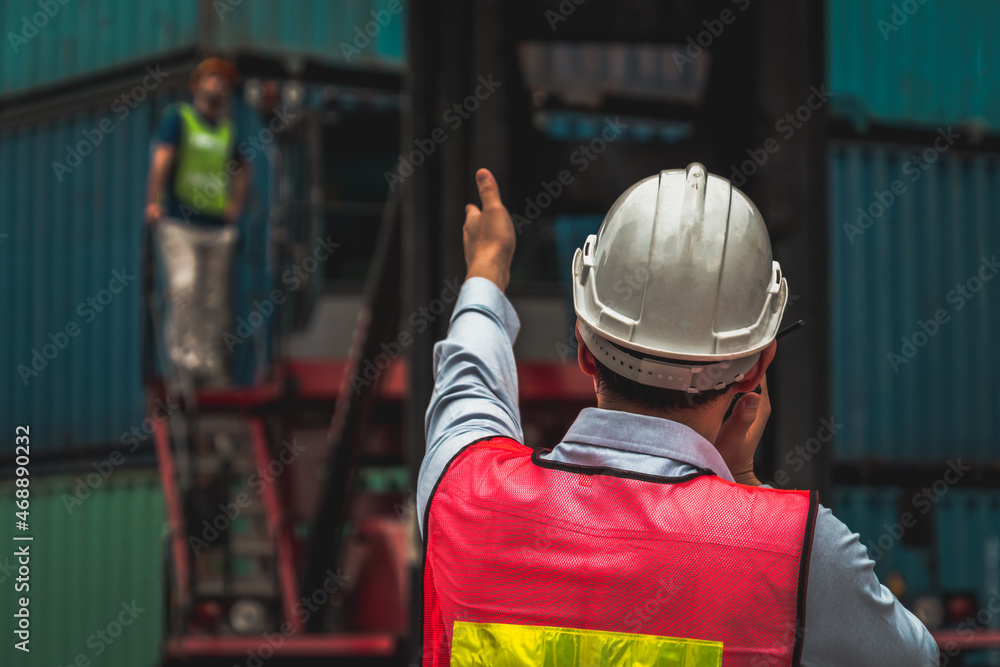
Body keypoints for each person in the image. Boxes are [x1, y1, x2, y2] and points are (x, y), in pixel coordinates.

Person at [418, 166, 938, 665]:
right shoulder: (798, 553)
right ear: (758, 367)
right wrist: (744, 488)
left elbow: (467, 385)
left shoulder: (460, 492)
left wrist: (487, 267)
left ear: (582, 346)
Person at [144, 57, 249, 388]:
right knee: (186, 286)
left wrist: (235, 206)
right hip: (180, 222)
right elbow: (162, 157)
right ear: (197, 85)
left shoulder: (228, 130)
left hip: (216, 227)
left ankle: (209, 361)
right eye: (212, 77)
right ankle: (184, 359)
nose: (219, 84)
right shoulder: (180, 118)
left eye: (224, 80)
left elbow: (243, 168)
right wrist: (153, 202)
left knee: (215, 299)